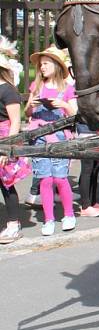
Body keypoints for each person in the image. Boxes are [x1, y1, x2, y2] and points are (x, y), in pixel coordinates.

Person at [25, 46, 78, 236]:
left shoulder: (67, 88)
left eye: (46, 63)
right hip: (38, 137)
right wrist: (31, 105)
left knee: (60, 178)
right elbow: (27, 114)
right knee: (45, 180)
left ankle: (69, 214)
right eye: (41, 64)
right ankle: (49, 219)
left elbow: (74, 115)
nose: (42, 67)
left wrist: (63, 104)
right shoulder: (36, 86)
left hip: (60, 137)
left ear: (56, 65)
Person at [0, 47, 26, 244]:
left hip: (4, 138)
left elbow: (15, 121)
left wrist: (6, 148)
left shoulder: (8, 91)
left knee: (6, 184)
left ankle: (13, 224)